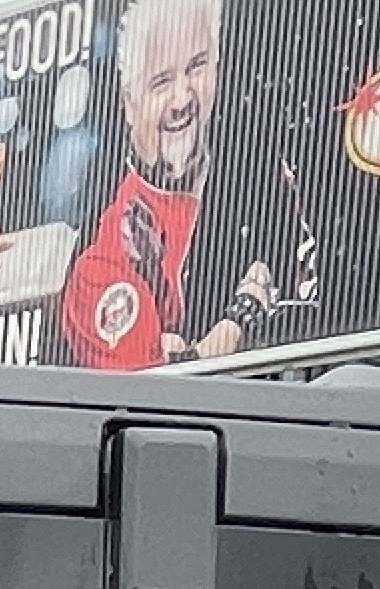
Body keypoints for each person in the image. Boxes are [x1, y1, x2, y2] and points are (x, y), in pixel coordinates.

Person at [59, 0, 316, 370]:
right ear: (129, 105)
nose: (182, 99)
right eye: (161, 82)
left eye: (196, 66)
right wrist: (241, 319)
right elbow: (162, 392)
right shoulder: (103, 260)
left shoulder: (260, 171)